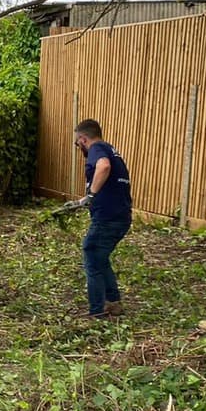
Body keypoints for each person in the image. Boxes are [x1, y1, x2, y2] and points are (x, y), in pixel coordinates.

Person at [66, 119, 132, 319]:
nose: (80, 148)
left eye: (78, 144)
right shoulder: (110, 149)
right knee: (100, 258)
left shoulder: (97, 149)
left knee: (92, 254)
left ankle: (97, 310)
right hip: (120, 216)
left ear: (83, 139)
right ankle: (113, 303)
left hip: (108, 218)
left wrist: (91, 195)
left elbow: (103, 167)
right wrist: (84, 200)